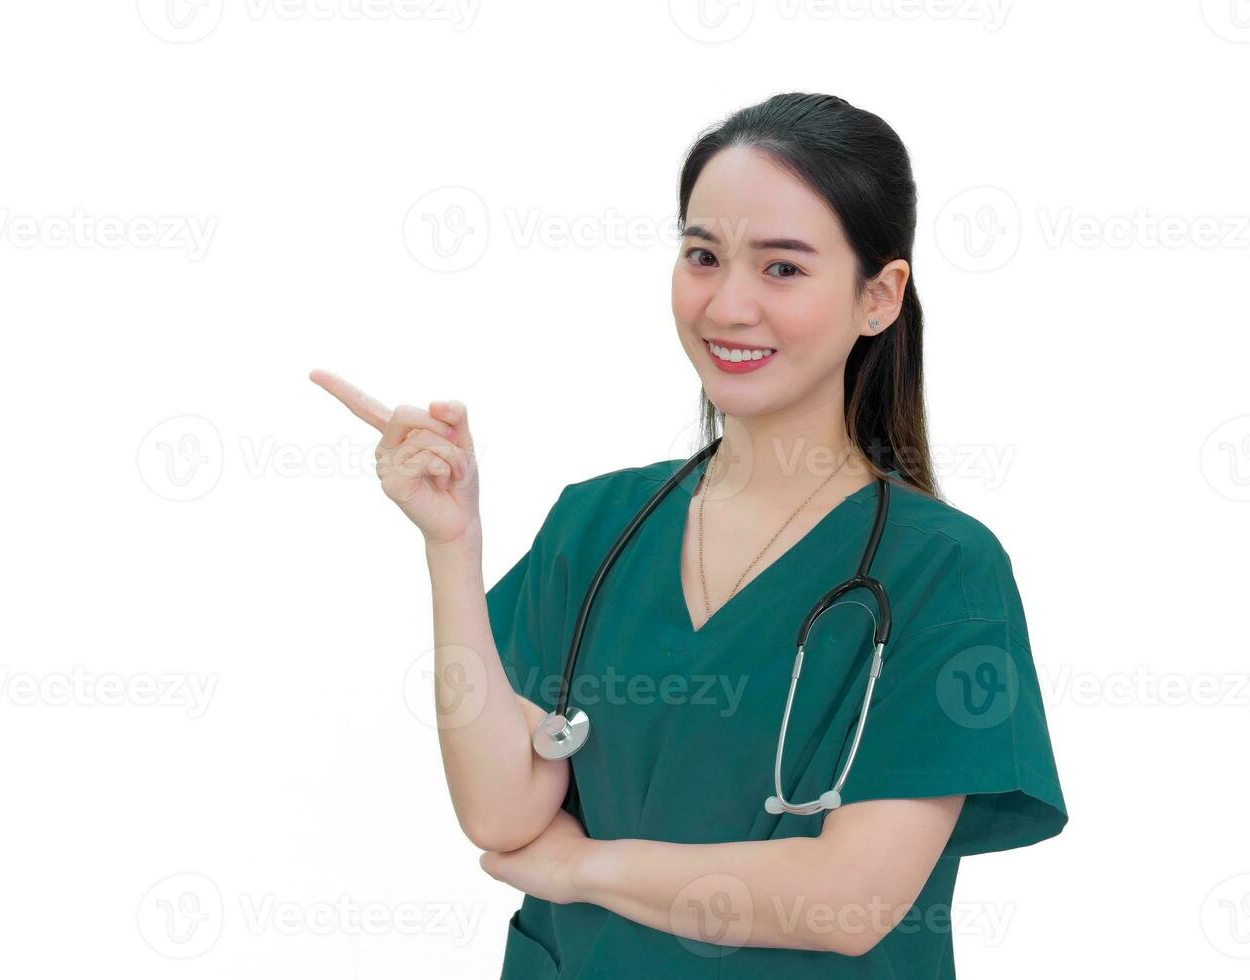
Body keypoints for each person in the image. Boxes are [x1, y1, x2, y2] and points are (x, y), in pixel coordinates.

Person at [311, 91, 1066, 978]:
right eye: (703, 255)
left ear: (878, 296)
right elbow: (502, 813)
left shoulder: (942, 571)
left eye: (783, 269)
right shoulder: (596, 528)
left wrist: (584, 866)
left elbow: (848, 897)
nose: (729, 305)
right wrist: (450, 545)